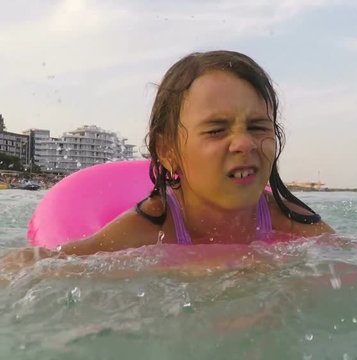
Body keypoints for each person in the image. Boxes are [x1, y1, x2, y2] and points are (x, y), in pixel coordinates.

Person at [6, 50, 333, 264]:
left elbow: (352, 253)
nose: (244, 143)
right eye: (217, 130)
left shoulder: (284, 215)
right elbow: (49, 263)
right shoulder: (152, 225)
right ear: (167, 151)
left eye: (258, 126)